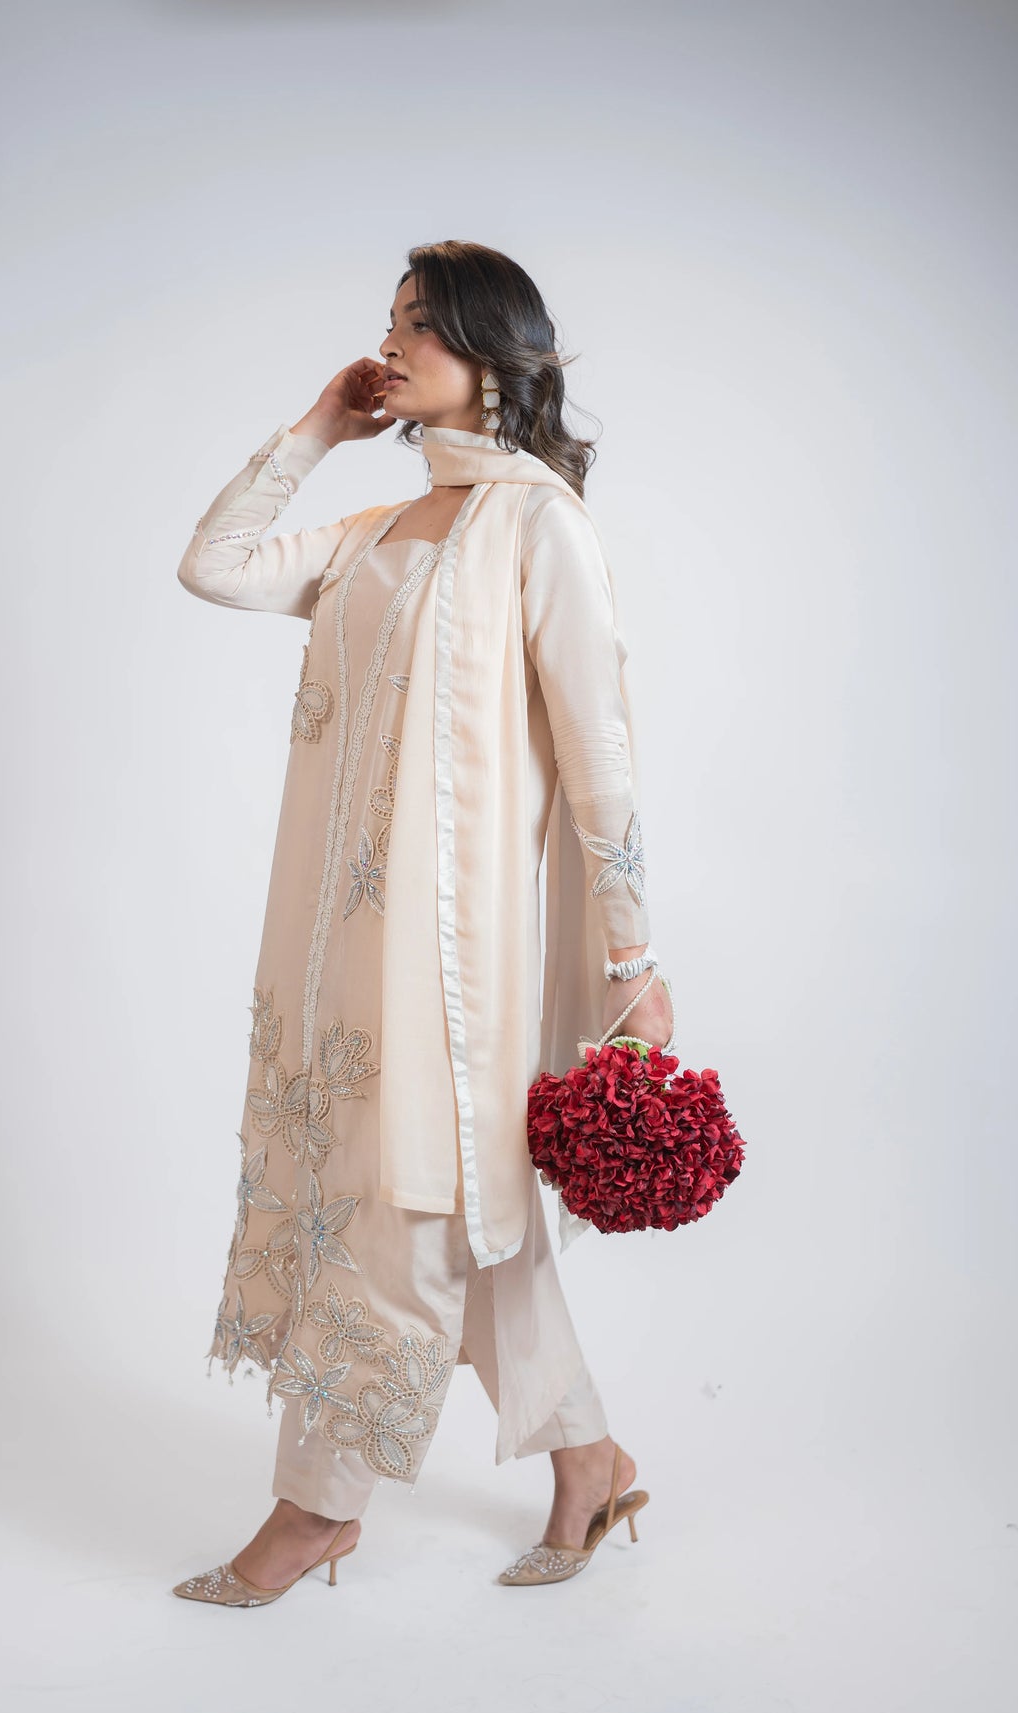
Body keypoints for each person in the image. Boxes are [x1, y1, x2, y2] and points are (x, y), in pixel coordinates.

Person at [170, 241, 674, 1606]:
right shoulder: (381, 530)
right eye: (386, 324)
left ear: (491, 354)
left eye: (419, 328)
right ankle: (591, 1464)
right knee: (463, 1215)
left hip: (458, 964)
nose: (390, 347)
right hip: (341, 948)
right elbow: (214, 566)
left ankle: (314, 1509)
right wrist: (319, 430)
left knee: (400, 1211)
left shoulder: (538, 526)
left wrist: (632, 961)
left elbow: (600, 755)